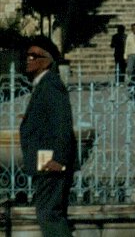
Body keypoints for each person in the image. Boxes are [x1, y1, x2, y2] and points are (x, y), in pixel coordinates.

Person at [20, 35, 77, 236]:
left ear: (46, 61)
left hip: (51, 162)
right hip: (46, 161)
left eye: (34, 56)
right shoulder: (43, 85)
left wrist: (59, 159)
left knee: (49, 214)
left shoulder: (51, 85)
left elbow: (63, 124)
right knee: (48, 213)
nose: (29, 59)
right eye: (28, 55)